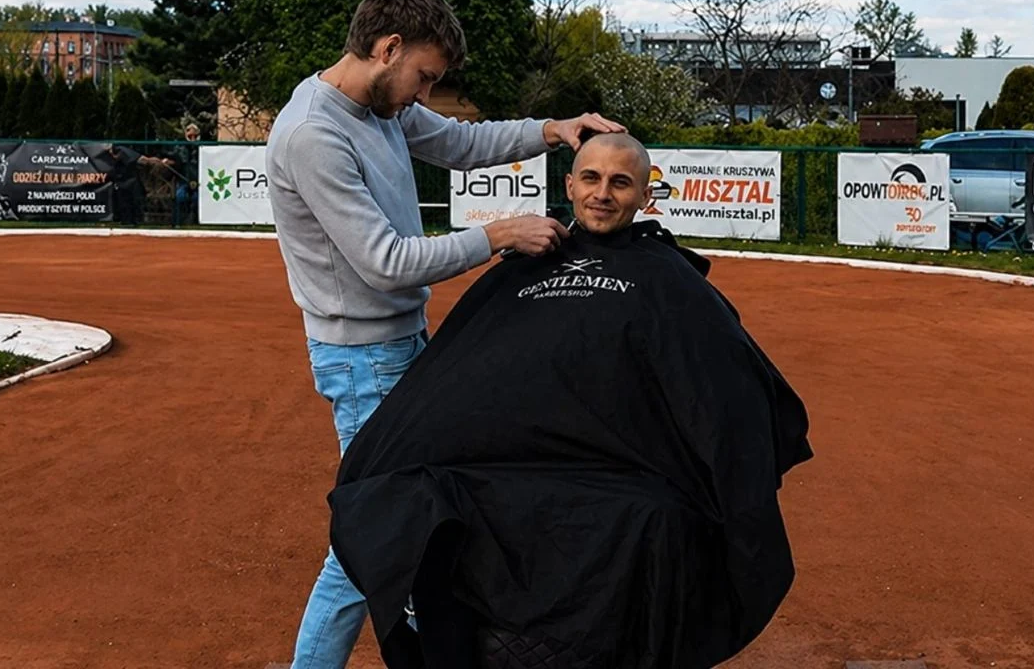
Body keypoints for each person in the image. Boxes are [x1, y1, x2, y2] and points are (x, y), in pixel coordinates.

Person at [328, 132, 814, 669]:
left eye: (620, 182)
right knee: (410, 498)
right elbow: (459, 369)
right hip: (502, 457)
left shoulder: (668, 278)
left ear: (645, 196)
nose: (602, 194)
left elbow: (719, 383)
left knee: (660, 520)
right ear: (569, 184)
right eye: (590, 178)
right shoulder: (522, 266)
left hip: (622, 465)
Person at [265, 0, 626, 669]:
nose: (423, 96)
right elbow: (386, 261)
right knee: (372, 540)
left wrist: (555, 130)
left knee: (404, 526)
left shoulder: (381, 108)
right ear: (387, 47)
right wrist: (500, 234)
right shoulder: (313, 133)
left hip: (399, 348)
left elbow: (461, 144)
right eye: (423, 77)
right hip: (364, 361)